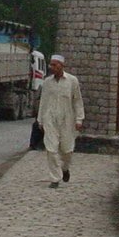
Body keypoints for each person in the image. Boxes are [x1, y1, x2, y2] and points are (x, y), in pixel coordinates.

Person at [35, 54, 85, 188]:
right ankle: (55, 179)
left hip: (67, 120)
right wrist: (40, 120)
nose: (52, 67)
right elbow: (43, 102)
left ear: (62, 66)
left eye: (55, 65)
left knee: (67, 150)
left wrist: (79, 119)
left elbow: (77, 101)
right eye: (51, 65)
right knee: (51, 149)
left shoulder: (72, 81)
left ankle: (65, 168)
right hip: (50, 119)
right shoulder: (47, 82)